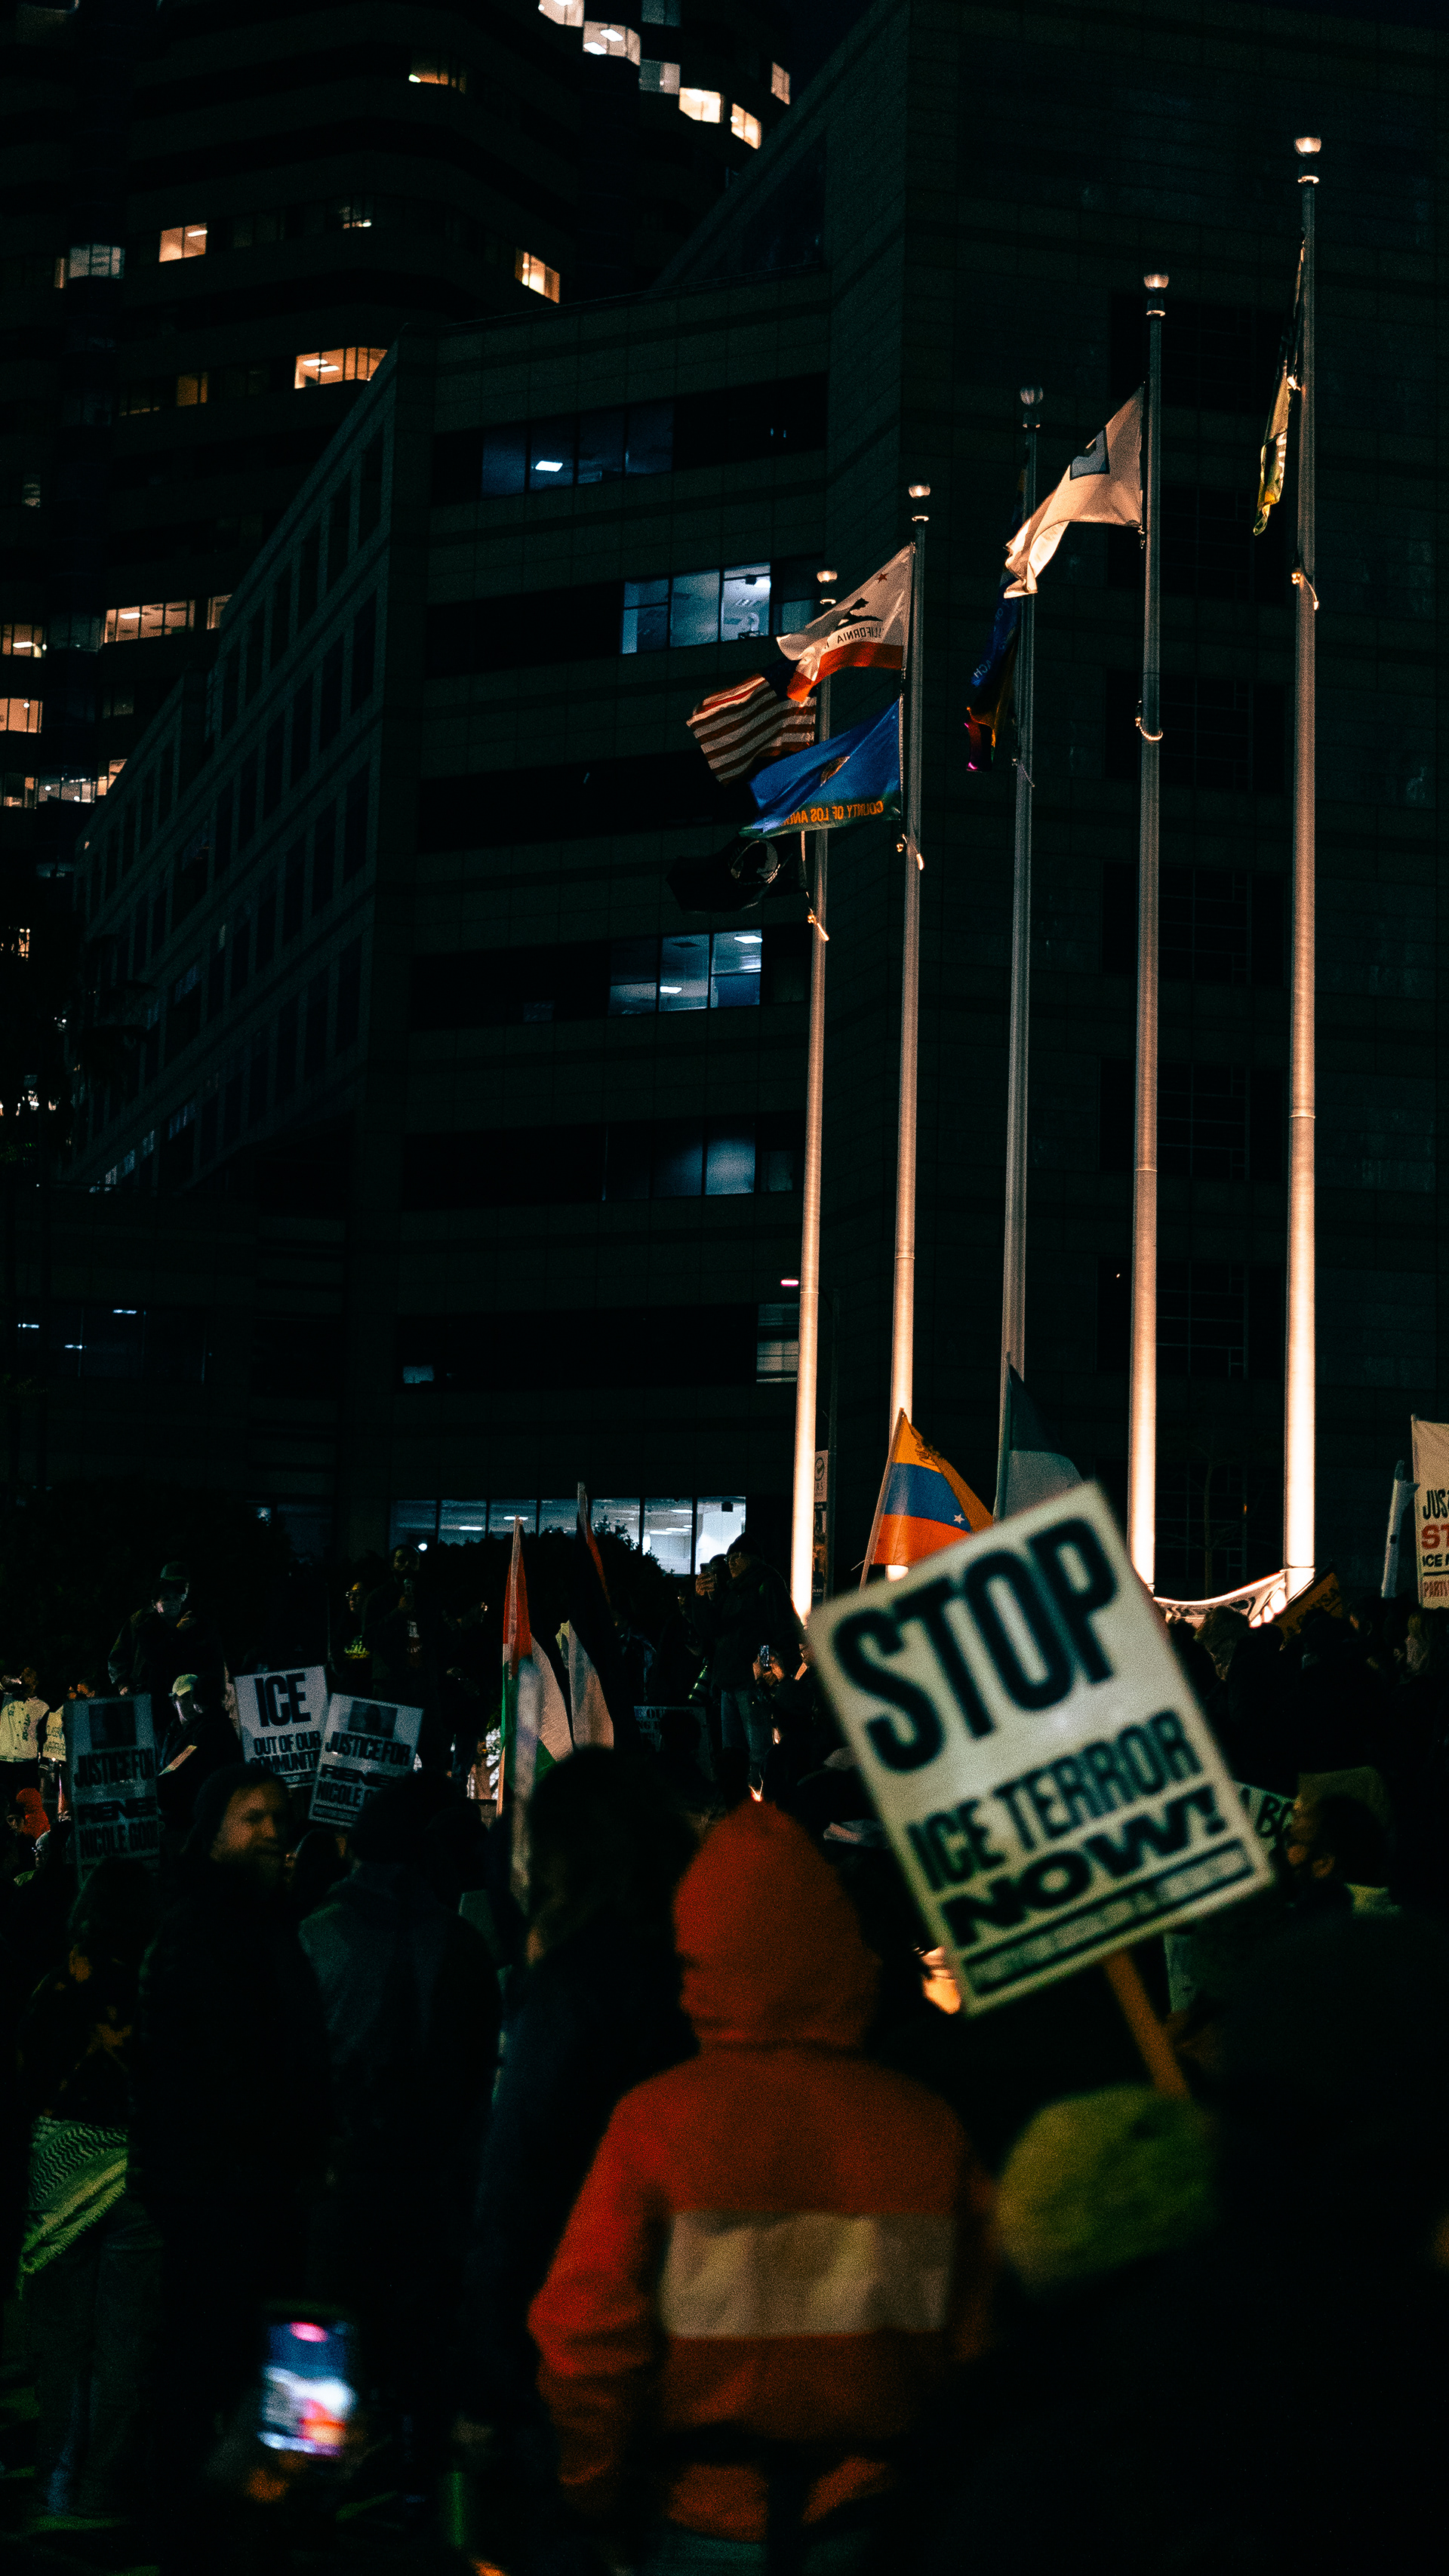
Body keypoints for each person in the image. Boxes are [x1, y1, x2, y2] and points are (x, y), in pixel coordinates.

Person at [528, 1797, 994, 2571]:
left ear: (701, 1952)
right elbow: (978, 2341)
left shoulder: (658, 2124)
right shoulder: (926, 2126)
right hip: (881, 2524)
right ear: (843, 1948)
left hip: (701, 2521)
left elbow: (587, 2338)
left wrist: (593, 2494)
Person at [454, 1751, 696, 2555]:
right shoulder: (694, 1969)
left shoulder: (573, 1988)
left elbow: (518, 2183)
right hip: (689, 2325)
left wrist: (486, 2381)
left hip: (571, 2318)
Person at [131, 1764, 330, 2560]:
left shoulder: (264, 1926)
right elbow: (216, 2077)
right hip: (220, 2203)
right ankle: (202, 2532)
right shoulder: (204, 1932)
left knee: (265, 2378)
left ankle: (247, 2523)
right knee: (208, 2374)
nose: (275, 1832)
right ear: (212, 1832)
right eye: (253, 1817)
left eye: (280, 1815)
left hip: (256, 2199)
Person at [300, 1776, 500, 2491]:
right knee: (424, 2340)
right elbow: (480, 2070)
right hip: (434, 2180)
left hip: (339, 2176)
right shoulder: (463, 1945)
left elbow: (293, 2062)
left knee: (328, 2332)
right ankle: (425, 2484)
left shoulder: (318, 1937)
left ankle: (316, 2479)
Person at [17, 1858, 156, 2523]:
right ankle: (103, 2486)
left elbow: (27, 2078)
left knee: (61, 2344)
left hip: (59, 2171)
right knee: (122, 2342)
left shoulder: (56, 1987)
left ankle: (56, 2484)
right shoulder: (156, 1989)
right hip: (137, 2169)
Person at [688, 1530, 801, 1778]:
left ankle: (760, 1795)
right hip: (729, 1683)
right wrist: (700, 1599)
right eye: (729, 1558)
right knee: (733, 1754)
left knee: (756, 1752)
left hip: (751, 1683)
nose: (732, 1562)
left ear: (754, 1558)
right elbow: (712, 1630)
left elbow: (779, 1632)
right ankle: (742, 1797)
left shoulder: (766, 1584)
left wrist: (767, 1673)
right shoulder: (731, 1591)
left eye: (738, 1556)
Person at [108, 1560, 224, 1714]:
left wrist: (217, 1689)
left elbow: (215, 1658)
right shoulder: (141, 1621)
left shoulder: (200, 1619)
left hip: (192, 1693)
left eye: (181, 1585)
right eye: (169, 1586)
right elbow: (120, 1654)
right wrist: (123, 1683)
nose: (176, 1590)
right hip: (151, 1693)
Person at [0, 1664, 66, 1778]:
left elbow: (45, 1736)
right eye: (23, 1674)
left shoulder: (42, 1707)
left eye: (29, 1675)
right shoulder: (7, 1699)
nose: (23, 1677)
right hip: (4, 1760)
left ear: (36, 1682)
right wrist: (2, 1685)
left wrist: (44, 1763)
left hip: (28, 1762)